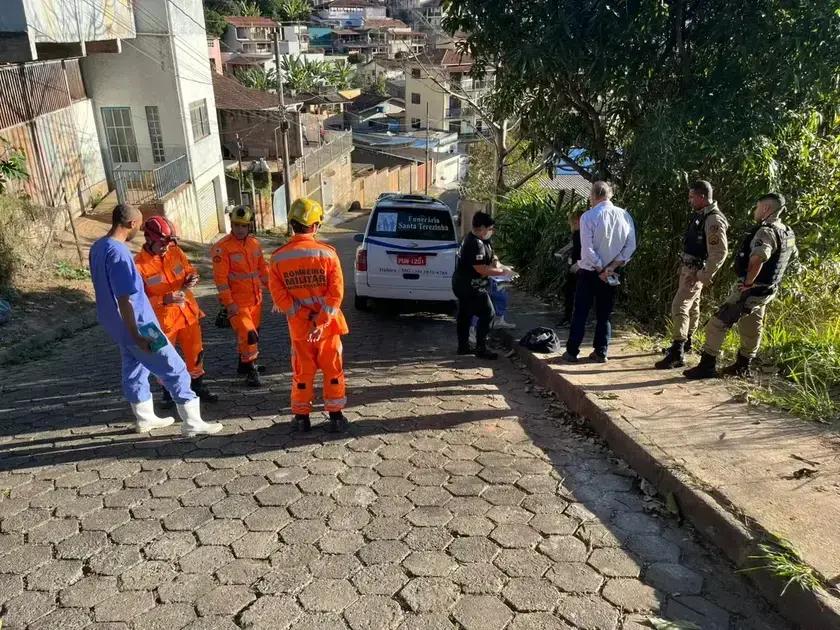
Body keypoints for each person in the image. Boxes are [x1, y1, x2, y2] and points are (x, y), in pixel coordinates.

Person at [88, 204, 222, 436]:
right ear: (131, 224)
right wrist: (138, 335)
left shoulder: (98, 248)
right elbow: (126, 299)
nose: (137, 230)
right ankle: (192, 423)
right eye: (138, 225)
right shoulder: (121, 254)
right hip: (141, 325)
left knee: (134, 368)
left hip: (116, 324)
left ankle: (145, 418)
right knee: (176, 368)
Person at [685, 193, 796, 379]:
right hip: (768, 290)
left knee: (716, 324)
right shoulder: (787, 231)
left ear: (766, 209)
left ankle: (707, 366)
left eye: (757, 207)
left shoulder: (766, 231)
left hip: (751, 290)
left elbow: (758, 259)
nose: (755, 211)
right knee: (752, 325)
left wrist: (747, 284)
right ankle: (743, 365)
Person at [269, 198, 349, 433]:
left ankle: (302, 419)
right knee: (333, 371)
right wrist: (320, 320)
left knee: (302, 373)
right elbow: (336, 294)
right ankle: (335, 417)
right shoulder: (328, 254)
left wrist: (304, 317)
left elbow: (280, 296)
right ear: (315, 225)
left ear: (292, 223)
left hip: (300, 330)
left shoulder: (278, 258)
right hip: (327, 328)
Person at [134, 216, 218, 407]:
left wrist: (191, 277)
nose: (165, 247)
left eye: (167, 243)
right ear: (148, 239)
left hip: (187, 314)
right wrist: (163, 299)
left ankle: (197, 386)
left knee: (195, 352)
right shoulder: (138, 265)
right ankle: (168, 393)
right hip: (160, 322)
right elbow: (136, 300)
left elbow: (188, 269)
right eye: (161, 243)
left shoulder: (175, 252)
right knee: (163, 358)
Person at [656, 181, 729, 369]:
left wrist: (702, 274)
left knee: (679, 305)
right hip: (689, 268)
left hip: (695, 271)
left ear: (702, 197)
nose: (689, 200)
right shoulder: (701, 216)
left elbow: (719, 252)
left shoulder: (713, 220)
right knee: (693, 307)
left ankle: (677, 351)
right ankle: (686, 342)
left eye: (691, 197)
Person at [562, 181, 636, 363]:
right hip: (611, 272)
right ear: (610, 194)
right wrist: (612, 267)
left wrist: (600, 268)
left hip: (590, 272)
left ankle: (572, 351)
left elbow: (587, 249)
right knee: (604, 314)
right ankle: (601, 352)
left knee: (580, 312)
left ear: (593, 195)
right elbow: (630, 246)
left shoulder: (588, 216)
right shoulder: (625, 215)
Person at [211, 206, 269, 387]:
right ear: (231, 224)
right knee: (249, 335)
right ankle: (251, 370)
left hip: (256, 300)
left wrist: (275, 290)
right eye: (236, 225)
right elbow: (220, 280)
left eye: (243, 226)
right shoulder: (222, 248)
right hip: (237, 303)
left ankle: (243, 365)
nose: (239, 229)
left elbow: (263, 270)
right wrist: (229, 303)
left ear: (249, 226)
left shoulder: (255, 244)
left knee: (252, 334)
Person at [453, 211, 513, 360]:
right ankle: (481, 348)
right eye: (490, 228)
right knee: (488, 313)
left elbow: (493, 256)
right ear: (481, 228)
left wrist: (499, 264)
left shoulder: (479, 239)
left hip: (464, 284)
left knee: (465, 315)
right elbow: (480, 268)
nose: (491, 231)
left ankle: (463, 346)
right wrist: (502, 273)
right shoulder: (474, 243)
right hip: (470, 286)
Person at [560, 208, 584, 325]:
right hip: (575, 265)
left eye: (572, 221)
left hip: (579, 267)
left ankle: (570, 318)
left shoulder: (581, 234)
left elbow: (582, 250)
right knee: (570, 292)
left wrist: (578, 263)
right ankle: (569, 317)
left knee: (572, 293)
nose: (570, 224)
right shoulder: (578, 233)